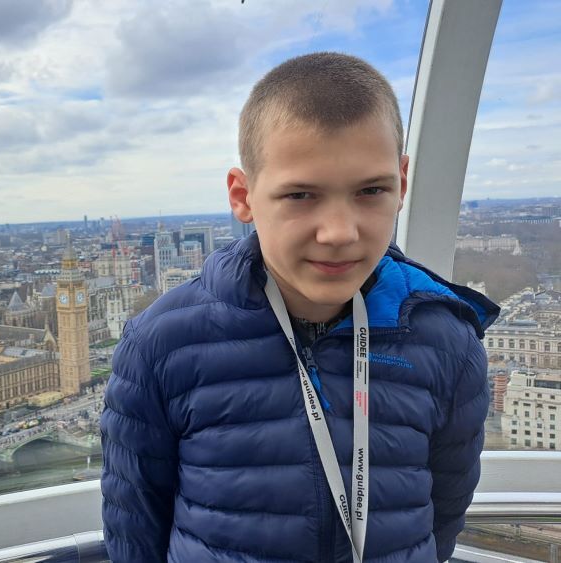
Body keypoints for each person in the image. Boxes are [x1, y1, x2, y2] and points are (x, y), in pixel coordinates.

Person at [100, 52, 499, 563]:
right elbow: (135, 530)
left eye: (371, 190)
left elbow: (442, 516)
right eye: (301, 195)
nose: (339, 233)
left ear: (402, 183)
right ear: (243, 197)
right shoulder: (160, 345)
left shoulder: (448, 343)